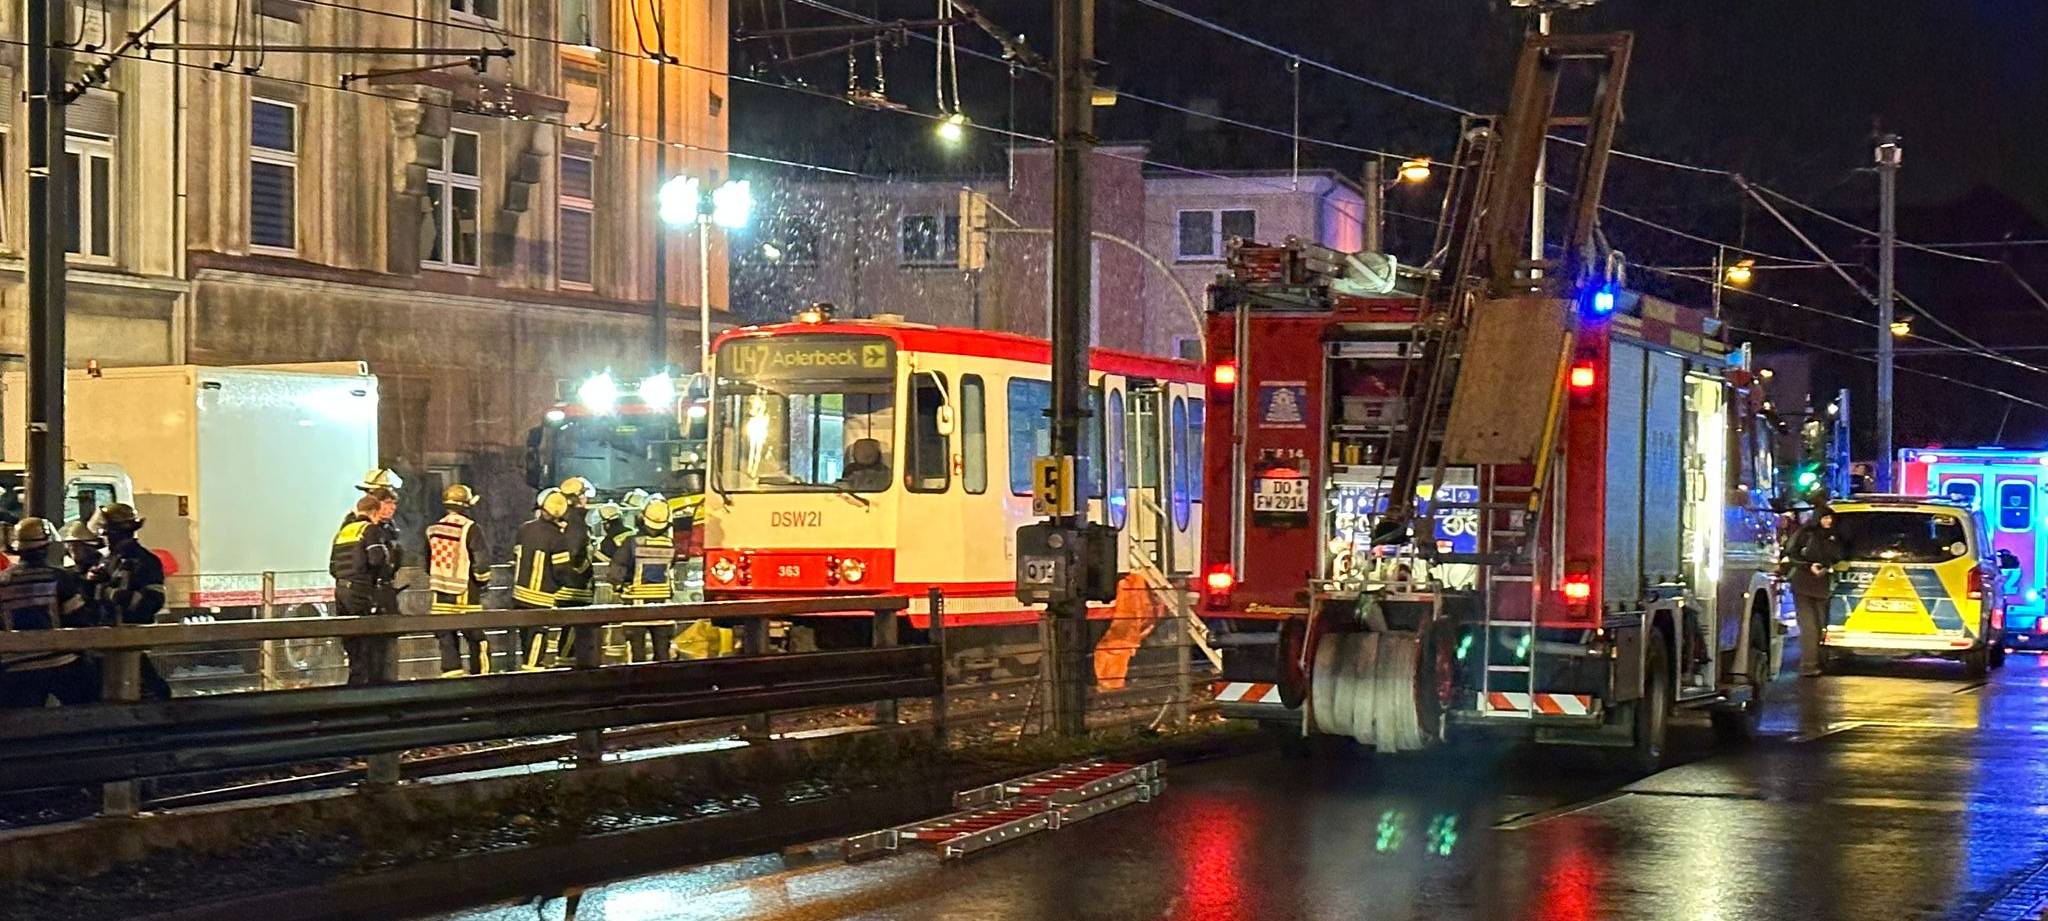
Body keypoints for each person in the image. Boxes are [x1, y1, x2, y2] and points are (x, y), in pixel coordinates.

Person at [0, 518, 99, 707]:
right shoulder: (60, 578)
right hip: (61, 664)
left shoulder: (3, 581)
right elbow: (79, 620)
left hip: (14, 668)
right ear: (46, 545)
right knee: (88, 706)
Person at [87, 503, 172, 699]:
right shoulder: (108, 561)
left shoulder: (145, 561)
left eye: (106, 533)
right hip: (106, 642)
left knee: (154, 694)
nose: (103, 538)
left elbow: (151, 602)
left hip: (129, 641)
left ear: (114, 533)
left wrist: (105, 590)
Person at [426, 484, 493, 676]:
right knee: (478, 640)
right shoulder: (471, 528)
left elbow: (426, 562)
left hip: (439, 595)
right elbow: (481, 562)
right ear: (466, 506)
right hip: (465, 593)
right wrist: (482, 583)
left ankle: (450, 684)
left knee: (447, 642)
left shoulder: (433, 529)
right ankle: (482, 681)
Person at [512, 488, 577, 669]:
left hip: (519, 594)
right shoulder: (558, 537)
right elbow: (561, 570)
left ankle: (526, 666)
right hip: (541, 597)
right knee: (538, 634)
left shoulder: (524, 529)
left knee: (524, 634)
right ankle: (531, 671)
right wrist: (565, 583)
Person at [609, 494, 676, 662]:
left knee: (637, 651)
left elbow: (616, 571)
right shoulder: (670, 544)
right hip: (662, 606)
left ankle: (636, 684)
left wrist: (618, 586)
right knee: (662, 651)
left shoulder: (632, 543)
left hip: (636, 605)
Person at [1786, 504, 1845, 678]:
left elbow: (1838, 555)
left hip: (1821, 585)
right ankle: (1808, 665)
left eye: (1830, 518)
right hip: (1803, 584)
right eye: (1825, 518)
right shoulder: (1806, 534)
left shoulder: (1834, 536)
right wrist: (1809, 566)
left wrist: (1826, 567)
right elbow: (1792, 553)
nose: (1828, 521)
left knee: (1819, 625)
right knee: (1809, 627)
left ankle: (1818, 661)